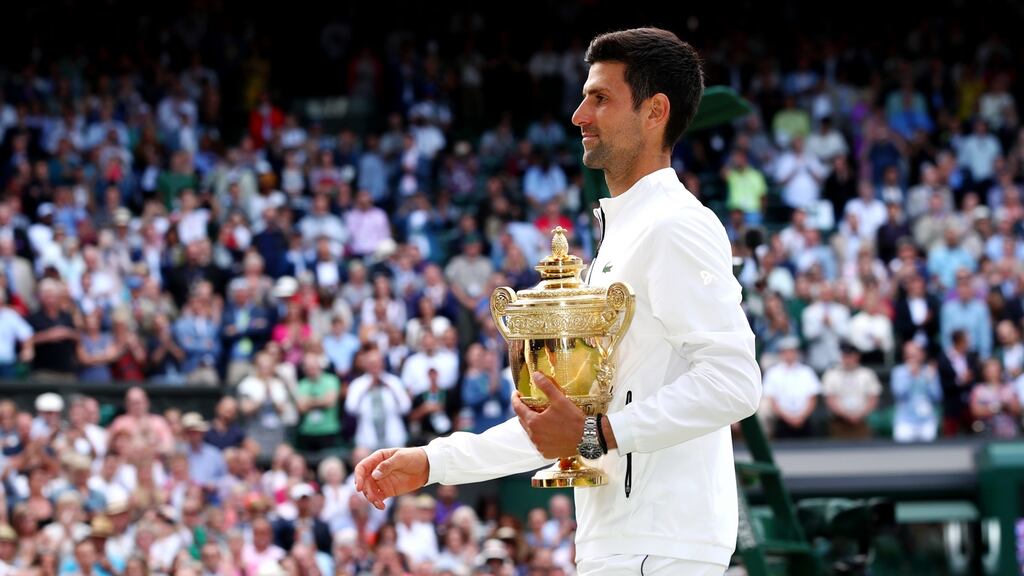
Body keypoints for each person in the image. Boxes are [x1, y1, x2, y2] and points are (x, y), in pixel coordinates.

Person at [354, 28, 761, 576]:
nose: (579, 115)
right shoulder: (625, 235)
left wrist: (597, 435)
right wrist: (432, 462)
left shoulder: (675, 226)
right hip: (623, 545)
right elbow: (562, 428)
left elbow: (734, 384)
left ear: (655, 111)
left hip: (659, 549)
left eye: (600, 98)